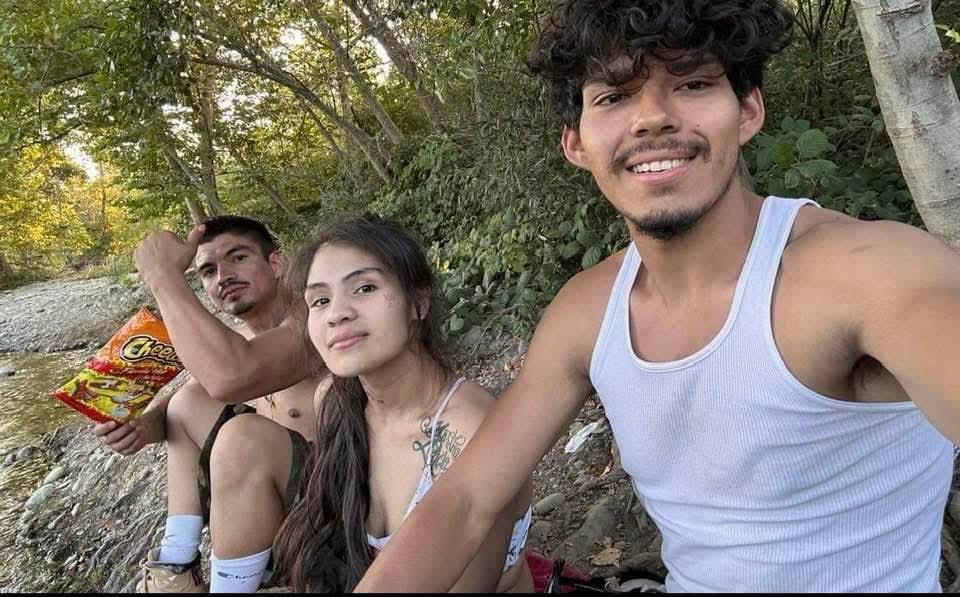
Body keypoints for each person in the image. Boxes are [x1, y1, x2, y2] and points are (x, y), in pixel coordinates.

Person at [352, 0, 960, 592]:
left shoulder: (863, 272)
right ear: (575, 144)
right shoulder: (587, 311)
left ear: (748, 110)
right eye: (614, 97)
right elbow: (463, 499)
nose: (652, 118)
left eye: (693, 83)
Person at [268, 215, 535, 593]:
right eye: (321, 300)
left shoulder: (471, 431)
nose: (337, 313)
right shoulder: (334, 399)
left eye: (364, 288)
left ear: (418, 302)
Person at [94, 215, 326, 593]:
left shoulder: (313, 319)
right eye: (208, 271)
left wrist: (163, 276)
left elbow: (233, 375)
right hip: (276, 502)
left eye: (238, 257)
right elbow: (184, 408)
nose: (224, 276)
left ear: (276, 262)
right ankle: (176, 568)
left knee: (243, 435)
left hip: (332, 503)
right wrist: (141, 427)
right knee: (187, 401)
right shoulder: (235, 342)